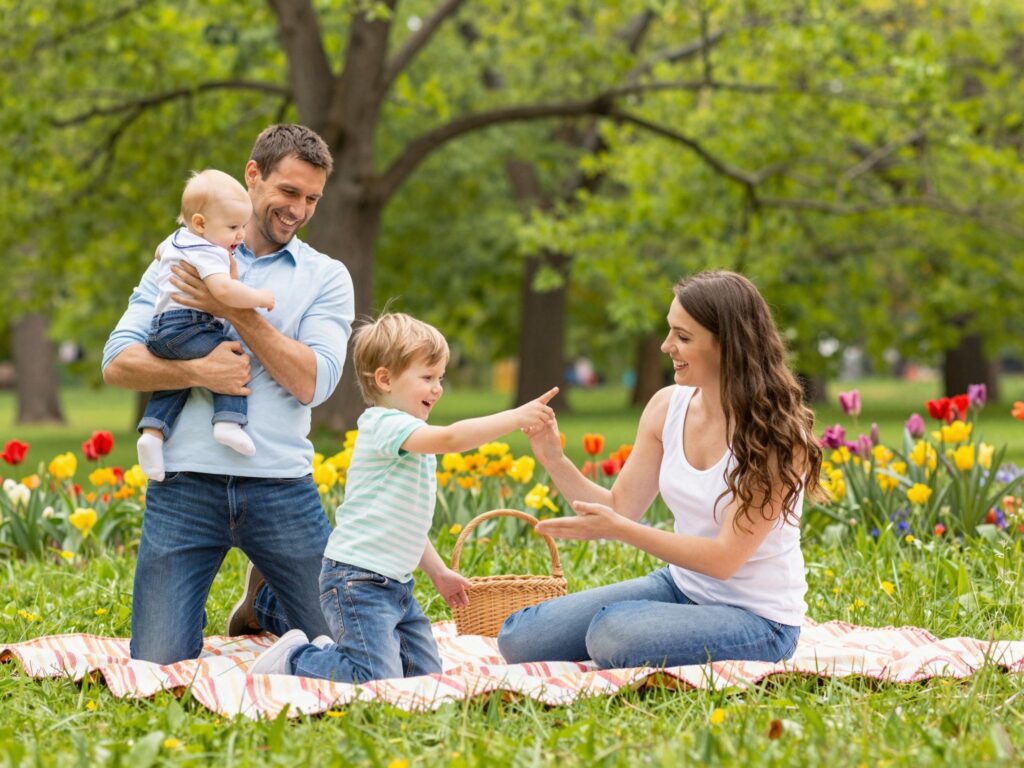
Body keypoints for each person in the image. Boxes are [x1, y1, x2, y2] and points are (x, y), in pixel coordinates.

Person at [102, 124, 354, 664]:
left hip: (282, 488)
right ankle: (267, 596)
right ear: (253, 175)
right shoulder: (179, 259)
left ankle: (267, 605)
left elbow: (314, 383)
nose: (299, 210)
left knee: (349, 651)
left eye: (312, 198)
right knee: (158, 665)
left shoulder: (325, 277)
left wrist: (232, 309)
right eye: (288, 193)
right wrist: (200, 371)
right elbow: (117, 363)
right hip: (185, 486)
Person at [497, 270, 823, 669]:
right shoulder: (667, 407)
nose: (667, 346)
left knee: (612, 633)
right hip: (682, 586)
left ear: (728, 345)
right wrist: (553, 457)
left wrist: (620, 530)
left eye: (683, 337)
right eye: (670, 332)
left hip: (758, 620)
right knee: (521, 637)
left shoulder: (777, 438)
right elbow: (619, 505)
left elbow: (723, 559)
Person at [251, 312, 559, 680]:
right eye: (427, 377)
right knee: (373, 677)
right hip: (356, 582)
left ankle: (340, 653)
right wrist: (515, 417)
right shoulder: (384, 425)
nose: (438, 388)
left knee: (424, 676)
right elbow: (452, 439)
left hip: (395, 585)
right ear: (384, 379)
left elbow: (407, 524)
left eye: (440, 378)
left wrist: (440, 573)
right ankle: (295, 658)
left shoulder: (412, 438)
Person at [136, 169, 276, 481]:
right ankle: (228, 422)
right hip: (189, 325)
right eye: (232, 227)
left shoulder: (176, 240)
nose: (240, 235)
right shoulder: (210, 252)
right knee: (233, 357)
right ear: (200, 223)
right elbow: (224, 292)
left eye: (243, 226)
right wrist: (258, 297)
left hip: (160, 331)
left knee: (177, 380)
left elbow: (159, 254)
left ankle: (152, 433)